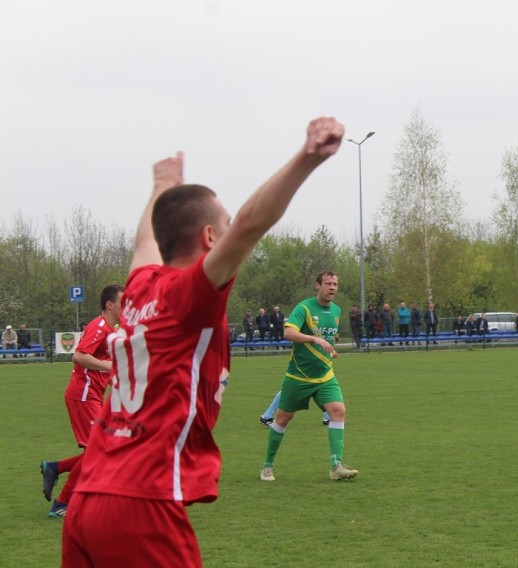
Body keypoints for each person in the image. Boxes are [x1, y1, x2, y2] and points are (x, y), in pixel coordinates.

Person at [62, 116, 344, 567]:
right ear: (211, 237)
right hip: (143, 502)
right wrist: (307, 157)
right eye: (225, 225)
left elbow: (144, 241)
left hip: (88, 498)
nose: (233, 231)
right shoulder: (188, 295)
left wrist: (163, 185)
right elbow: (252, 223)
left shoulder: (138, 289)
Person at [260, 271, 358, 482]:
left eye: (335, 284)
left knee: (338, 410)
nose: (332, 287)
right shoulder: (304, 308)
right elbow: (288, 333)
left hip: (325, 376)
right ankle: (267, 466)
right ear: (317, 286)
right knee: (283, 419)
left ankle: (336, 466)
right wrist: (313, 339)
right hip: (299, 377)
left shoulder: (337, 311)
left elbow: (328, 337)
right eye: (328, 283)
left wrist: (330, 349)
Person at [40, 284, 124, 518]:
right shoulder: (98, 327)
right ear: (109, 304)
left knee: (102, 449)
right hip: (83, 395)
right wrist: (110, 365)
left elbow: (104, 369)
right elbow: (78, 356)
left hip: (92, 395)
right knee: (99, 451)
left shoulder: (111, 330)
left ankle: (56, 468)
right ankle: (61, 503)